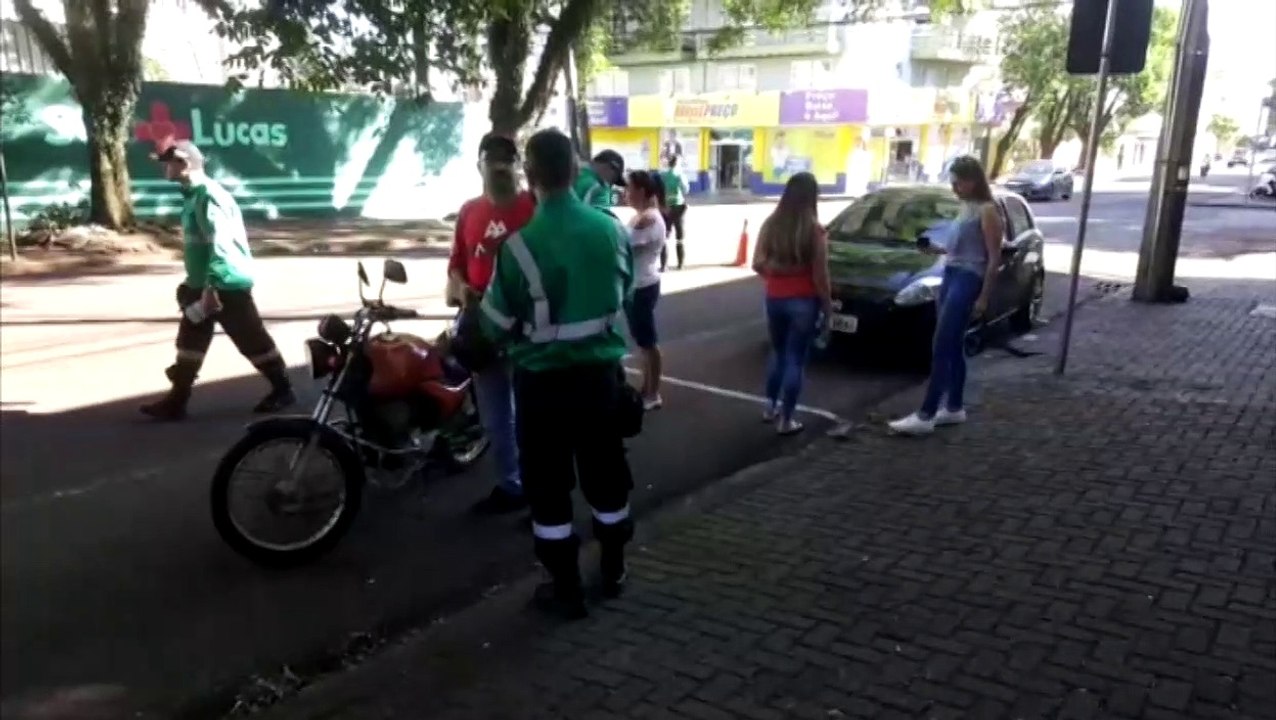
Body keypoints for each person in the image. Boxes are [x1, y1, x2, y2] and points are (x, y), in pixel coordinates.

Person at [479, 129, 637, 620]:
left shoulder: (520, 248)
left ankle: (565, 588)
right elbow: (625, 293)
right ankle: (613, 570)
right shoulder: (611, 229)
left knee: (548, 490)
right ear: (574, 170)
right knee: (608, 480)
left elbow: (493, 325)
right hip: (600, 383)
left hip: (541, 389)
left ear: (531, 177)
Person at [139, 141, 294, 421]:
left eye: (168, 162)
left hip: (225, 284)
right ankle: (177, 400)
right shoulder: (192, 195)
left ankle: (283, 389)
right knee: (190, 340)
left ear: (183, 163)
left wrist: (211, 288)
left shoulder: (210, 196)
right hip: (203, 283)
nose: (164, 167)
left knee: (251, 339)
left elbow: (221, 244)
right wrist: (194, 285)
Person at [447, 133, 537, 514]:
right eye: (492, 157)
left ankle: (543, 493)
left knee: (535, 414)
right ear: (479, 164)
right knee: (497, 416)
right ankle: (511, 486)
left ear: (519, 165)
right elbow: (455, 267)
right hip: (482, 328)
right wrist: (463, 288)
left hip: (530, 329)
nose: (500, 164)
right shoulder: (469, 211)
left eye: (508, 157)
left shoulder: (536, 207)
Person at [888, 155, 1003, 436]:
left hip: (968, 279)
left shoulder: (987, 211)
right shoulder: (966, 207)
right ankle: (953, 406)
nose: (953, 188)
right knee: (952, 345)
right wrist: (937, 249)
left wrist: (984, 297)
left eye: (957, 182)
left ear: (972, 180)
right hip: (950, 274)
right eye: (952, 182)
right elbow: (961, 249)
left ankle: (926, 414)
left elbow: (992, 257)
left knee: (941, 344)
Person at [751, 172, 831, 436]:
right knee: (796, 358)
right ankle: (786, 420)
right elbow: (820, 277)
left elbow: (757, 263)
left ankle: (769, 406)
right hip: (804, 302)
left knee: (779, 353)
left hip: (774, 298)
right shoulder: (815, 230)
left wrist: (776, 276)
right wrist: (828, 309)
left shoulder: (771, 224)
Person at [624, 171, 667, 410]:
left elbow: (622, 243)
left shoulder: (647, 219)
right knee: (643, 342)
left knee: (648, 342)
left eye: (629, 188)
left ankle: (653, 392)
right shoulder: (641, 217)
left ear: (641, 191)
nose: (625, 193)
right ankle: (648, 387)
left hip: (643, 286)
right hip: (637, 286)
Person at [658, 155, 689, 271]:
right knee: (679, 237)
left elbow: (658, 189)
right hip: (678, 207)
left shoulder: (663, 175)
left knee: (665, 236)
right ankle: (680, 264)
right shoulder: (680, 175)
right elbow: (685, 189)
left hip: (666, 207)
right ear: (677, 163)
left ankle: (663, 265)